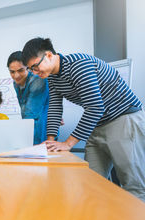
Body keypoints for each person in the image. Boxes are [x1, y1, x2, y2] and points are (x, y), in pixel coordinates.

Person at [22, 37, 145, 201]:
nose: (35, 73)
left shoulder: (79, 65)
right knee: (91, 182)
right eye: (31, 70)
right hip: (99, 123)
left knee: (133, 185)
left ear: (49, 55)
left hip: (123, 118)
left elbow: (95, 107)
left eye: (36, 67)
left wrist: (68, 143)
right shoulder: (52, 77)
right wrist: (50, 143)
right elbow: (55, 108)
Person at [7, 51, 49, 144]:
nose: (16, 75)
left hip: (44, 133)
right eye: (12, 72)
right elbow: (24, 111)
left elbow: (31, 114)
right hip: (30, 130)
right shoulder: (16, 83)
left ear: (29, 68)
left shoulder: (38, 80)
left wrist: (21, 140)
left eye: (20, 70)